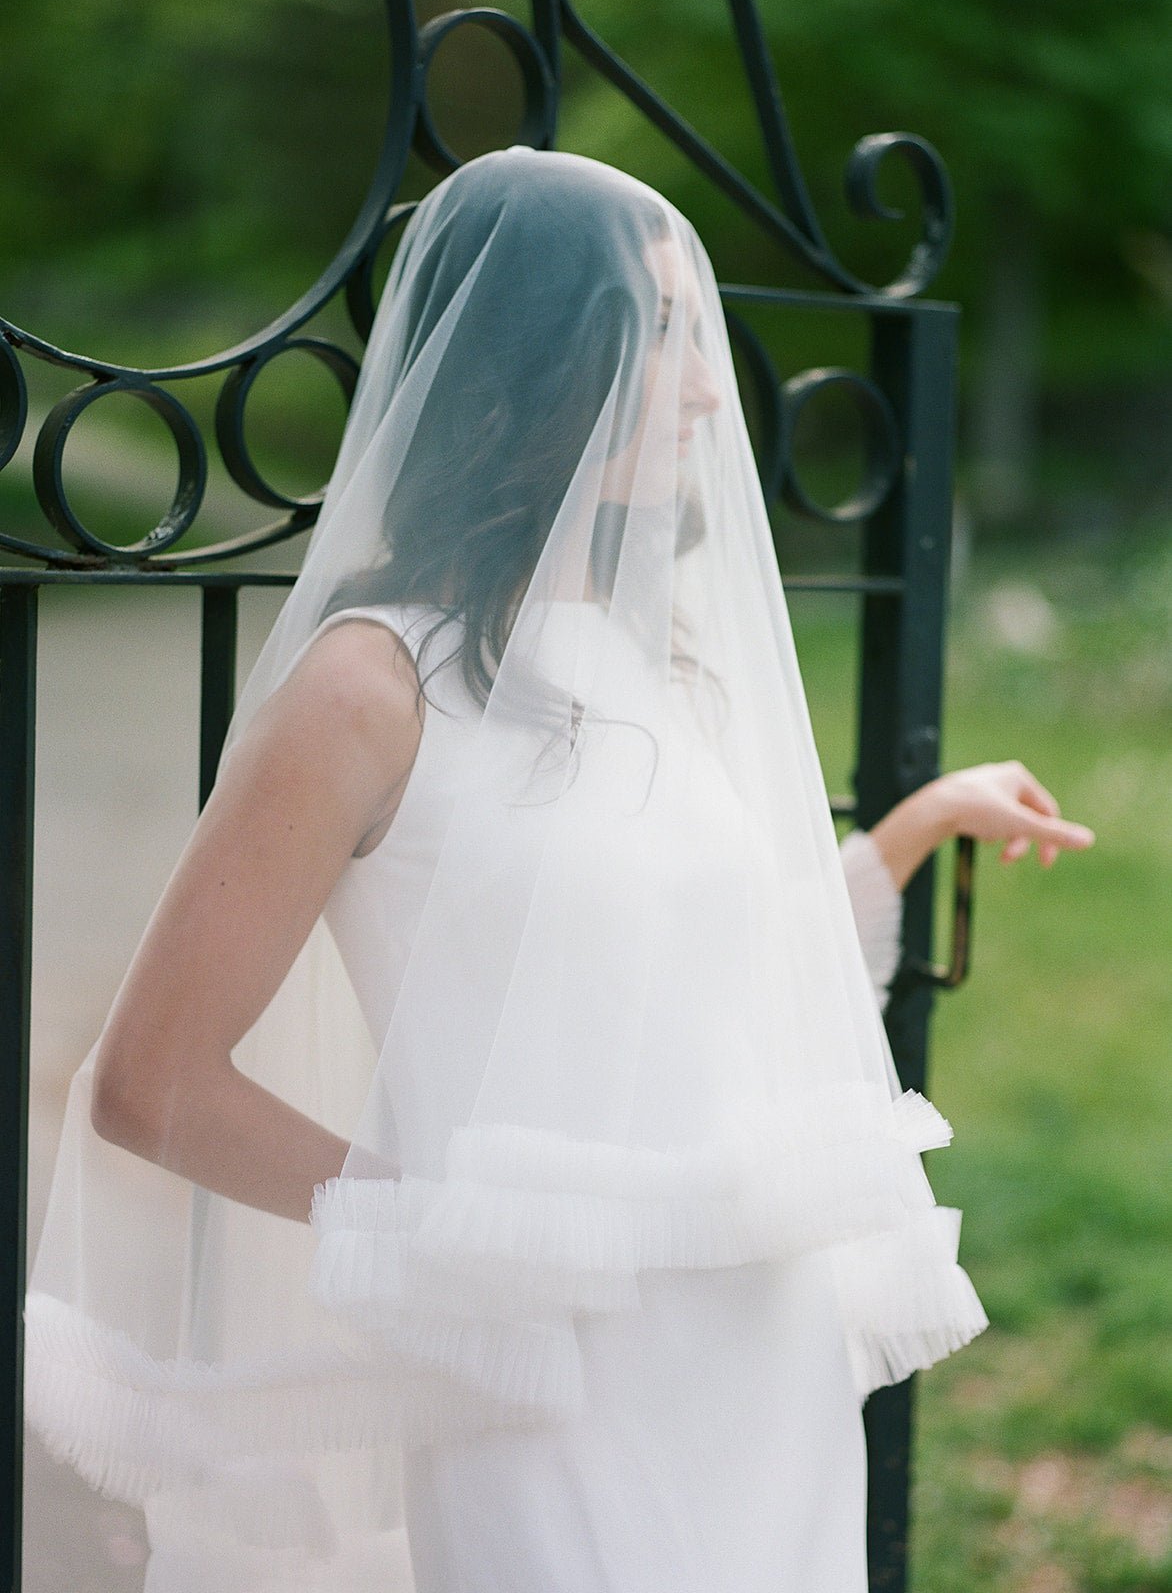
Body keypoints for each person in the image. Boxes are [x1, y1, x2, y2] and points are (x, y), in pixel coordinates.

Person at [26, 148, 1094, 1592]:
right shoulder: (366, 688)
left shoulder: (661, 660)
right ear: (532, 359)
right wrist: (443, 1240)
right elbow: (151, 1083)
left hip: (758, 1354)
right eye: (662, 338)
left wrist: (912, 831)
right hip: (541, 1390)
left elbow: (724, 1002)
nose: (712, 391)